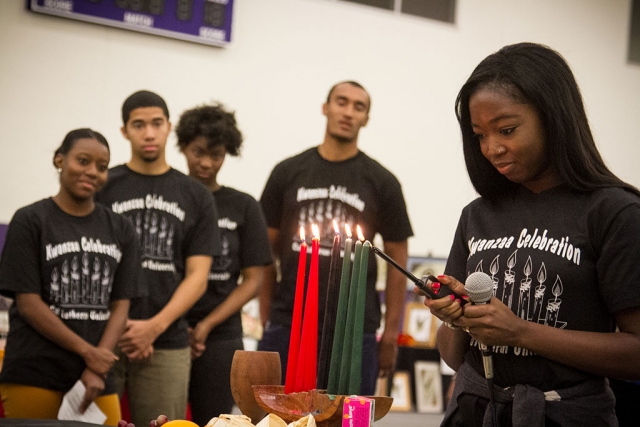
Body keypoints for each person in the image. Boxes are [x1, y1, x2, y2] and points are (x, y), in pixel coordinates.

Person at [424, 42, 640, 426]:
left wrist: (521, 333)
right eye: (479, 135)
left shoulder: (614, 212)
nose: (492, 148)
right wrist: (456, 319)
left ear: (553, 117)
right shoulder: (477, 215)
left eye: (507, 129)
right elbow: (455, 356)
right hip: (474, 410)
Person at [258, 80, 413, 395]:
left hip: (355, 329)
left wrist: (391, 335)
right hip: (289, 323)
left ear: (366, 119)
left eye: (359, 107)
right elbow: (263, 253)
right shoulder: (287, 172)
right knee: (280, 417)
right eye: (341, 102)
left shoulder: (382, 181)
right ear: (325, 108)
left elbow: (399, 261)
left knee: (349, 418)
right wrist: (267, 317)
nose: (348, 112)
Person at [95, 91, 221, 427]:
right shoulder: (103, 187)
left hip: (166, 341)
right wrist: (119, 328)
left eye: (156, 124)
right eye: (138, 125)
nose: (149, 133)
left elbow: (197, 276)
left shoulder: (196, 195)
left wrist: (154, 327)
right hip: (100, 340)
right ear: (124, 131)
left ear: (169, 127)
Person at [0, 128, 140, 425]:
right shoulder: (30, 220)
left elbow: (120, 304)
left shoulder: (121, 228)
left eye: (102, 167)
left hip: (96, 375)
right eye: (83, 161)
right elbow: (28, 303)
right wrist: (90, 353)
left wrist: (98, 365)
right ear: (59, 160)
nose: (92, 172)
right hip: (35, 370)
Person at [175, 103, 272, 426]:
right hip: (167, 330)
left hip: (221, 335)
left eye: (215, 155)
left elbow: (252, 281)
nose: (205, 162)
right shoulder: (170, 200)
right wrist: (173, 323)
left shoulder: (243, 206)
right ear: (183, 147)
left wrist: (205, 326)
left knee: (214, 421)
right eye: (197, 152)